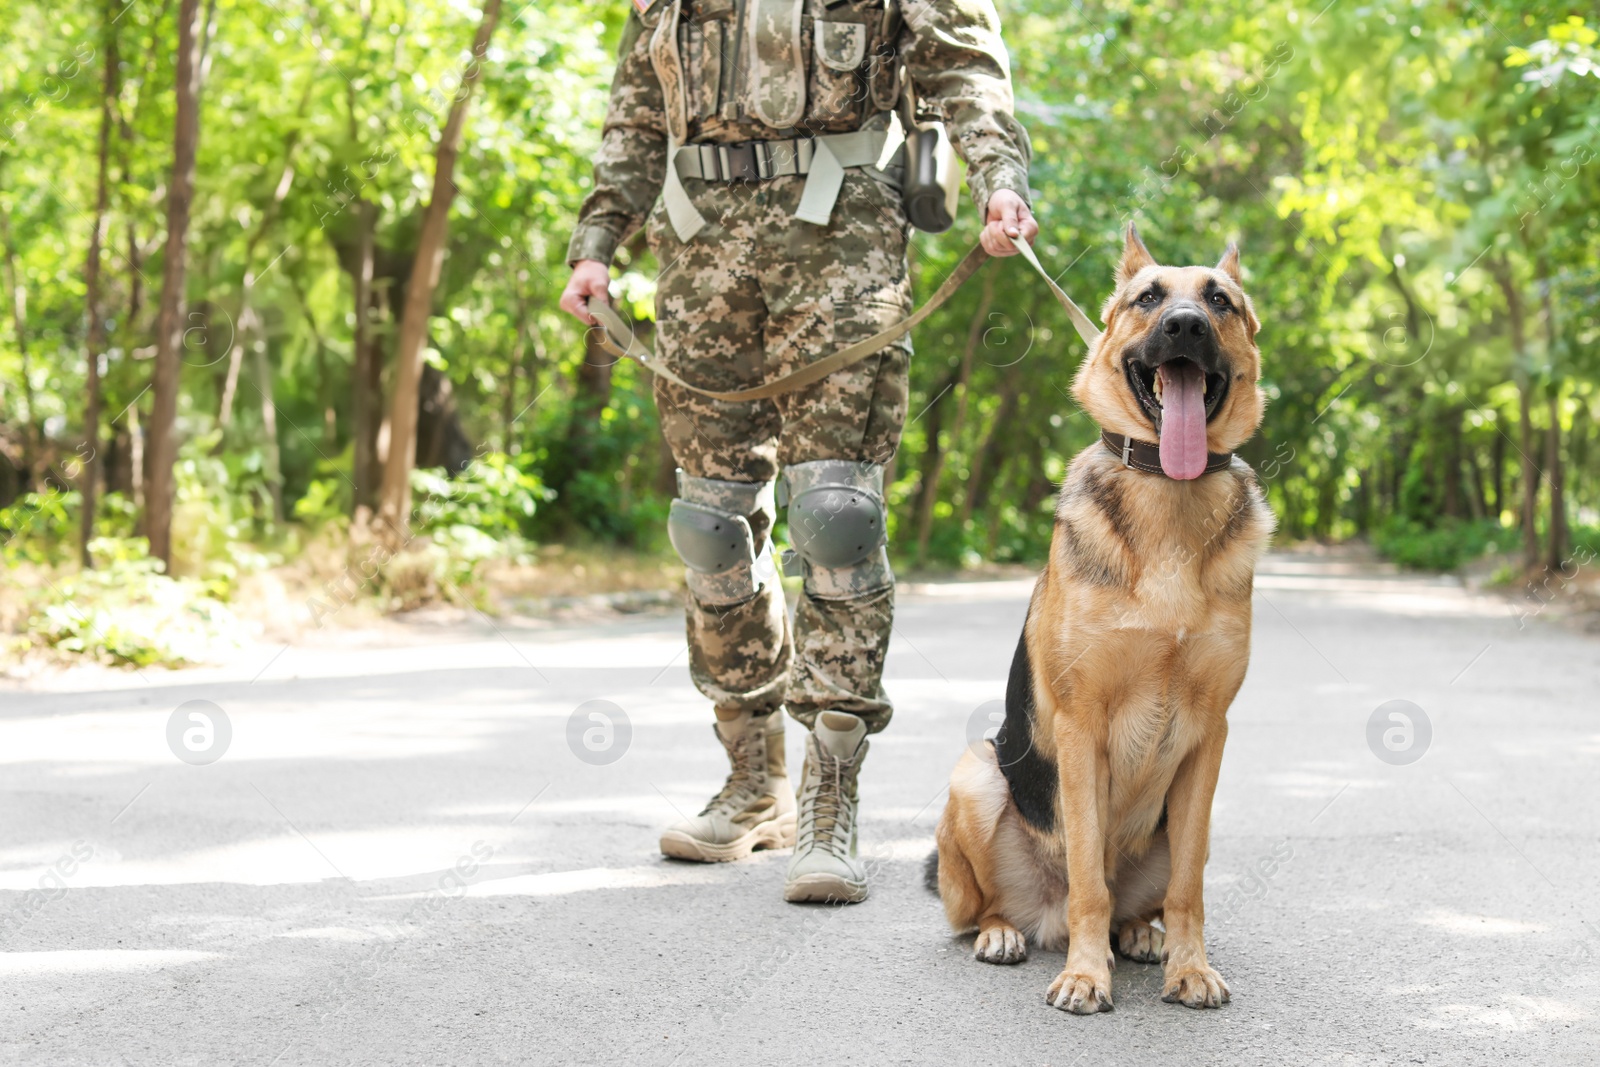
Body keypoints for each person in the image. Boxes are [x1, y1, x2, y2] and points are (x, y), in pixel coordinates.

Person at [559, 0, 1036, 904]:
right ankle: (752, 781)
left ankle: (830, 794)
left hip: (842, 240)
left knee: (837, 517)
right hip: (697, 245)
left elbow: (963, 69)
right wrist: (597, 243)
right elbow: (635, 107)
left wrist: (998, 180)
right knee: (709, 523)